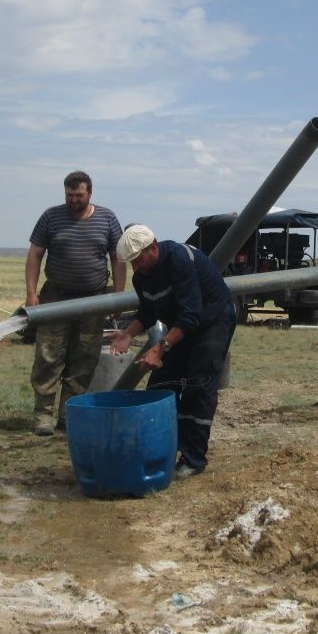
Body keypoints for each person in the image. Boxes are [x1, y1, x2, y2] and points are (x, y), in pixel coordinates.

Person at [109, 225, 236, 479]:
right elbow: (147, 312)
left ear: (153, 247)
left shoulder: (179, 259)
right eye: (131, 263)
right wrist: (127, 334)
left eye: (138, 259)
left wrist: (159, 348)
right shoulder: (141, 277)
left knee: (198, 386)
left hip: (213, 321)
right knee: (161, 384)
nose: (137, 267)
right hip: (183, 327)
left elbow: (190, 315)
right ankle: (165, 449)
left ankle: (193, 459)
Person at [26, 171, 125, 436]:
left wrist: (118, 295)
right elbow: (35, 254)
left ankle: (69, 414)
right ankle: (43, 416)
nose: (73, 200)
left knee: (84, 357)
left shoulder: (107, 218)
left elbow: (117, 258)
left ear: (89, 193)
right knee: (48, 355)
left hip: (93, 299)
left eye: (78, 195)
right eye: (69, 195)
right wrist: (32, 294)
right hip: (55, 297)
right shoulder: (51, 217)